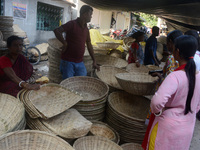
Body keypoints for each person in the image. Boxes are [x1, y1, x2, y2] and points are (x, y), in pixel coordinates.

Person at [147, 35, 200, 150]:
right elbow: (198, 105)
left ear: (177, 51)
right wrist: (191, 110)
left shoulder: (175, 76)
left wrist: (159, 111)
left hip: (167, 128)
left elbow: (156, 102)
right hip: (187, 126)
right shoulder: (198, 75)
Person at [142, 30, 182, 150]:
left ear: (170, 43)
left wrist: (159, 76)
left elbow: (168, 82)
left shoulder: (171, 59)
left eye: (168, 43)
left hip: (164, 102)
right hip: (176, 105)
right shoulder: (186, 61)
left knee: (155, 129)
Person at [54, 5, 99, 79]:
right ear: (84, 14)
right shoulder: (72, 24)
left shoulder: (86, 29)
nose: (91, 16)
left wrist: (94, 60)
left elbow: (89, 44)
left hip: (80, 62)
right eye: (90, 14)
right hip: (68, 62)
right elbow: (57, 31)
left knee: (81, 82)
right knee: (68, 85)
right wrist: (64, 43)